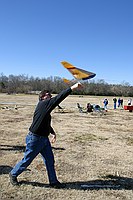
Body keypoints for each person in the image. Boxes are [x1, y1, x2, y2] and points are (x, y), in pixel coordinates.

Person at [9, 82, 83, 188]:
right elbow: (58, 98)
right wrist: (72, 88)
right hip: (35, 139)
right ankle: (13, 174)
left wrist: (52, 133)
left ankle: (53, 182)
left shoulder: (45, 110)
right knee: (27, 160)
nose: (50, 96)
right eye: (48, 95)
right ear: (43, 97)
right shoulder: (43, 104)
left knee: (49, 160)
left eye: (50, 95)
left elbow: (44, 123)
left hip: (44, 139)